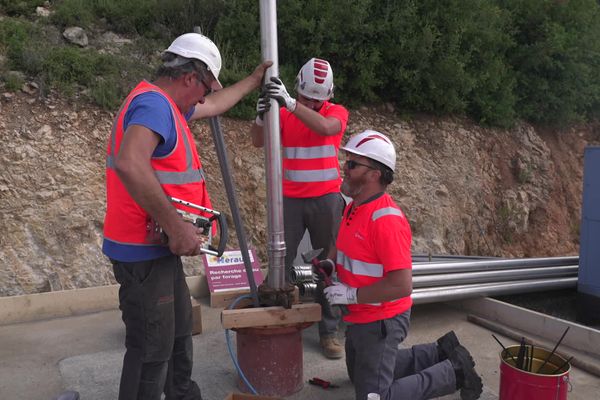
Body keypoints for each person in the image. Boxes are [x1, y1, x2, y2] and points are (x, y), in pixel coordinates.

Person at [102, 32, 271, 400]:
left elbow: (218, 104)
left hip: (156, 251)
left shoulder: (168, 105)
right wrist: (177, 228)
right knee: (151, 351)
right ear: (190, 77)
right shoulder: (155, 106)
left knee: (178, 335)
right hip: (143, 252)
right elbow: (130, 162)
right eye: (205, 86)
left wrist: (254, 81)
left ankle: (181, 394)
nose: (205, 96)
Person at [324, 130, 484, 400]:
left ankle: (455, 371)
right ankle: (440, 352)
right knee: (358, 376)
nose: (345, 168)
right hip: (360, 315)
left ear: (374, 174)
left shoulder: (386, 220)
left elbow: (401, 284)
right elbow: (341, 243)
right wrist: (330, 262)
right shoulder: (354, 207)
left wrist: (351, 294)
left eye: (352, 164)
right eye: (347, 161)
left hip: (382, 318)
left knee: (375, 397)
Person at [249, 58, 349, 359]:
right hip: (290, 199)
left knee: (328, 266)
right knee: (280, 261)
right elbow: (257, 142)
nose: (315, 105)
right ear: (298, 89)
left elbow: (326, 127)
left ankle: (329, 332)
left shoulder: (335, 112)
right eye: (308, 99)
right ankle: (272, 322)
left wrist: (293, 104)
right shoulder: (285, 111)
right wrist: (260, 117)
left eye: (319, 101)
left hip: (327, 199)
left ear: (329, 96)